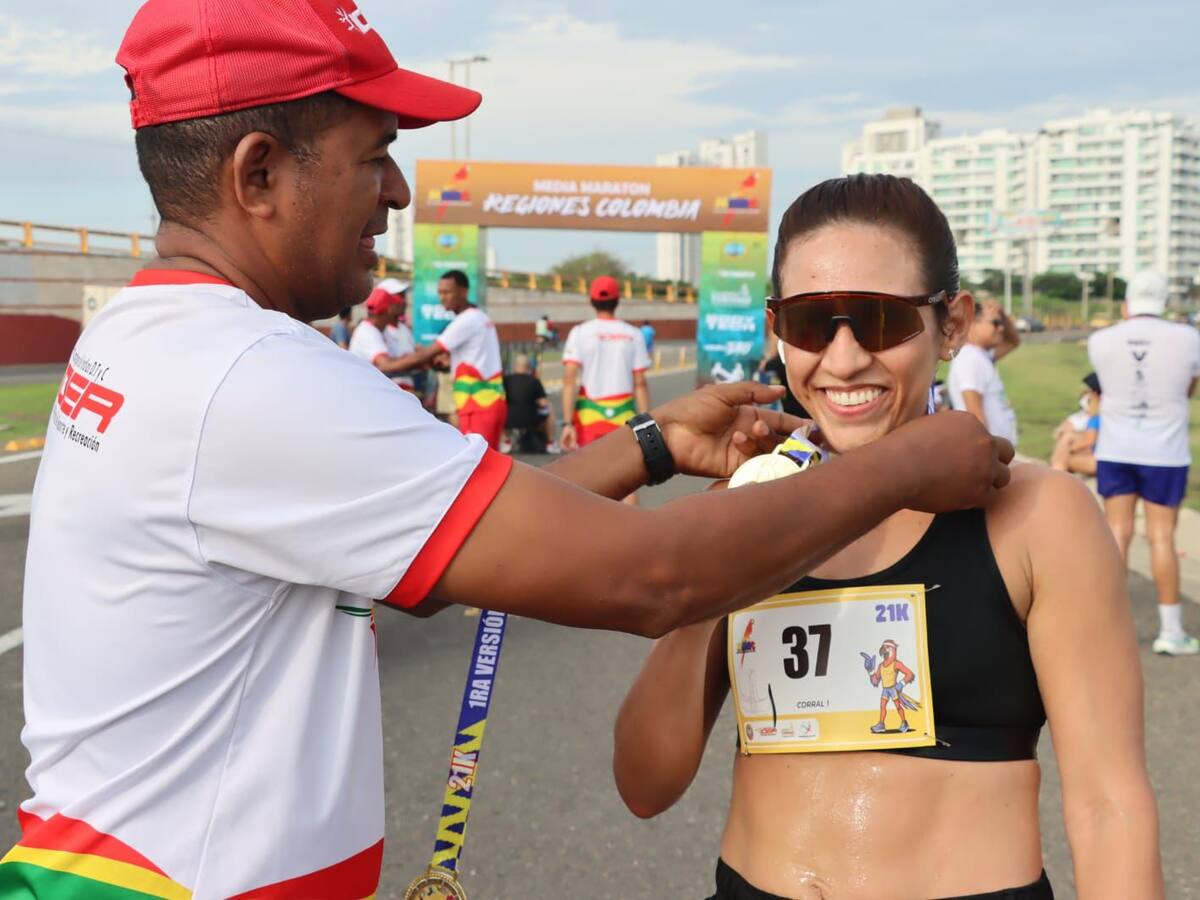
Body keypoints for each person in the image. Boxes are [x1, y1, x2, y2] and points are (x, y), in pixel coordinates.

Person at [8, 5, 1013, 897]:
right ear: (258, 172)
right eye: (375, 153)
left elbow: (449, 535)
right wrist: (910, 466)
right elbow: (651, 577)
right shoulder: (251, 378)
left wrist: (654, 448)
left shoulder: (160, 337)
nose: (397, 191)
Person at [614, 175, 1161, 900]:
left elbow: (1108, 807)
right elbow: (646, 784)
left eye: (879, 322)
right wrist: (718, 554)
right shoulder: (748, 506)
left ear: (953, 324)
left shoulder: (1040, 515)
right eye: (810, 325)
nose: (842, 361)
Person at [1089, 270, 1200, 656]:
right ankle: (1171, 630)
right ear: (1164, 302)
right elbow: (1189, 387)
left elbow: (1103, 387)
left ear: (1127, 303)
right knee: (1162, 538)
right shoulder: (1189, 338)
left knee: (1117, 533)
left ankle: (1104, 628)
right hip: (1165, 453)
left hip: (1117, 449)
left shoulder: (1100, 340)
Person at [391, 269, 508, 450]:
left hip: (477, 404)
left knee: (478, 467)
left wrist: (384, 368)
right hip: (491, 401)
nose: (442, 297)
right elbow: (469, 359)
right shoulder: (480, 317)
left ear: (463, 291)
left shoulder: (466, 320)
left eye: (447, 292)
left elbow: (425, 355)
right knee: (488, 463)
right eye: (440, 292)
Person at [560, 275, 651, 451]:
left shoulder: (579, 332)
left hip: (589, 418)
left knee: (587, 476)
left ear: (591, 301)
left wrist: (567, 423)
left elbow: (569, 380)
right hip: (624, 418)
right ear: (618, 300)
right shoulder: (633, 334)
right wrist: (646, 425)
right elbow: (640, 382)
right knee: (622, 475)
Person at [948, 298, 1020, 445]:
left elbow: (1013, 341)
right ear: (972, 324)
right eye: (995, 323)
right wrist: (991, 455)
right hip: (992, 454)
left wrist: (1002, 314)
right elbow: (975, 415)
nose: (1001, 328)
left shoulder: (981, 356)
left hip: (999, 452)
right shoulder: (970, 359)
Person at [348, 284, 420, 390]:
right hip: (365, 392)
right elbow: (386, 365)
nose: (402, 304)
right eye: (395, 304)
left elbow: (396, 359)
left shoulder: (382, 330)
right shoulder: (367, 331)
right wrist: (419, 358)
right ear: (389, 309)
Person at [1050, 372, 1101, 476]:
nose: (1086, 395)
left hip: (1101, 461)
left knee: (1063, 459)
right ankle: (1055, 472)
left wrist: (1071, 450)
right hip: (1106, 457)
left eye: (1088, 392)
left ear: (1095, 394)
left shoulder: (1097, 416)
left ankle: (1055, 476)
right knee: (1067, 440)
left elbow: (1089, 441)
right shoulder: (1105, 412)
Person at [503, 353, 555, 454]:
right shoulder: (534, 381)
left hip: (508, 419)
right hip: (531, 419)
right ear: (528, 367)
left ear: (514, 366)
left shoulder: (506, 381)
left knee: (498, 408)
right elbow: (543, 403)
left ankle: (505, 442)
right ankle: (550, 443)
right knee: (550, 408)